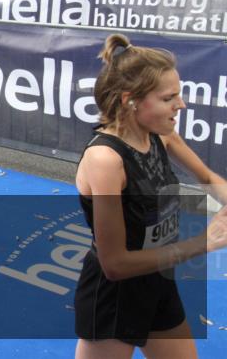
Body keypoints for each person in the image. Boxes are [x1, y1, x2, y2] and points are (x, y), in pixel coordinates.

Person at [74, 35, 227, 358]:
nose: (181, 105)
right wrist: (204, 242)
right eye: (169, 97)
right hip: (114, 296)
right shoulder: (106, 159)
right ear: (130, 100)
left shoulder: (161, 134)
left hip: (157, 280)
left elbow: (209, 180)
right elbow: (114, 264)